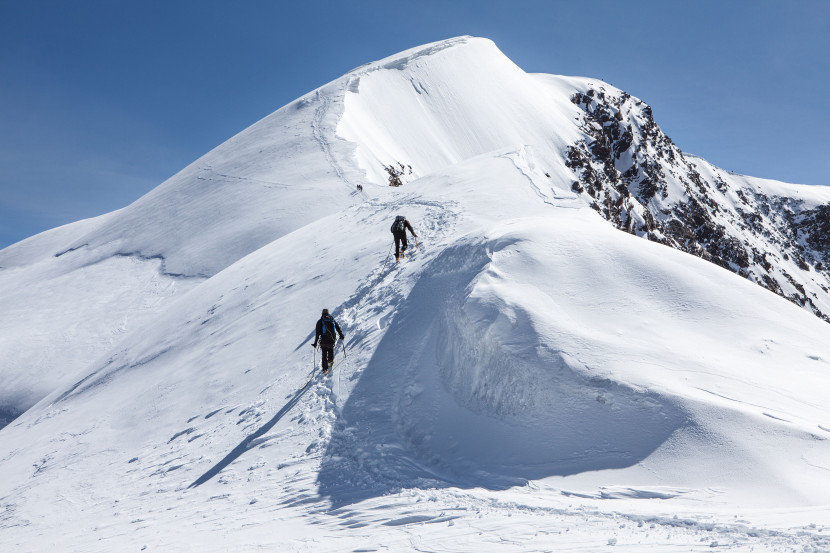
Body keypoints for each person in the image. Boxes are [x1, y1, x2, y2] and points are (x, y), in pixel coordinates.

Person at [312, 308, 344, 373]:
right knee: (330, 350)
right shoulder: (332, 320)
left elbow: (317, 333)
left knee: (324, 354)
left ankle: (325, 369)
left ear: (322, 314)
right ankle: (330, 361)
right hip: (331, 339)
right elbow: (337, 327)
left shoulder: (320, 321)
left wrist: (315, 343)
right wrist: (341, 335)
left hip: (323, 340)